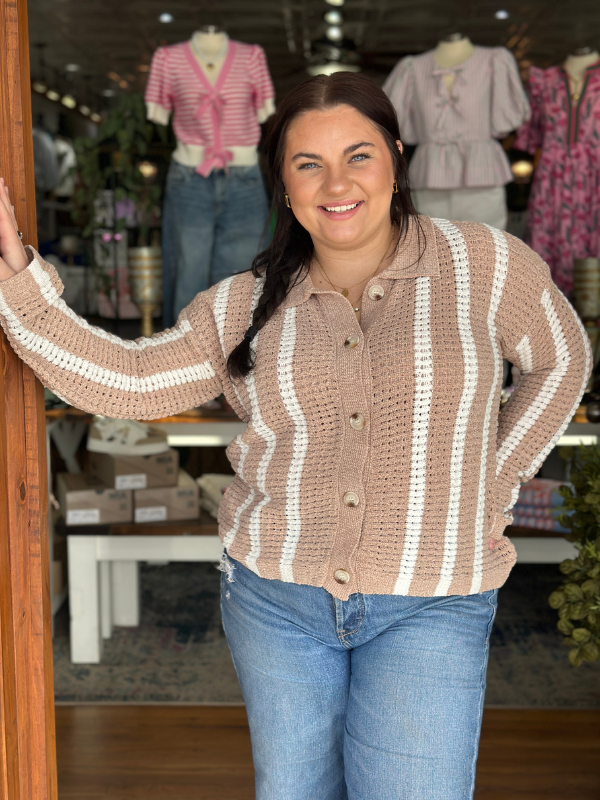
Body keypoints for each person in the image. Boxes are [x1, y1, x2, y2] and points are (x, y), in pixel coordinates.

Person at [0, 73, 591, 799]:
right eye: (307, 164)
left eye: (358, 155)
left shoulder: (485, 266)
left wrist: (492, 483)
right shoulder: (245, 303)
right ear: (283, 184)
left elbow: (562, 358)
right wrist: (21, 281)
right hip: (275, 600)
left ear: (397, 158)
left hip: (433, 598)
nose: (335, 182)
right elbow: (128, 380)